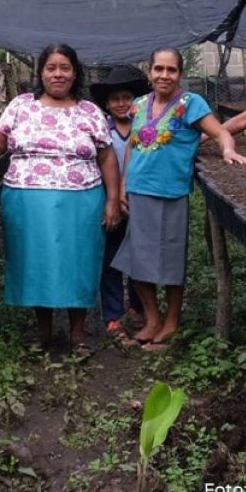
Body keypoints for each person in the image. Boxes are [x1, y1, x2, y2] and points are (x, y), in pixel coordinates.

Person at [0, 44, 120, 351]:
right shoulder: (21, 106)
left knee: (79, 263)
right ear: (41, 73)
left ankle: (78, 332)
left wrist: (112, 200)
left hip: (81, 200)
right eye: (51, 67)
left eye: (65, 67)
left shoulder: (90, 112)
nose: (58, 74)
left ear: (75, 73)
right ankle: (43, 330)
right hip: (26, 200)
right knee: (35, 262)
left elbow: (107, 157)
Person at [113, 48, 246, 351]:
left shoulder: (191, 104)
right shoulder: (138, 105)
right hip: (138, 192)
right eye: (158, 69)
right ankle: (152, 318)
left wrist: (228, 149)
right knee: (138, 258)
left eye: (171, 70)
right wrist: (124, 183)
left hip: (170, 193)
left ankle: (172, 321)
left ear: (180, 73)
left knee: (171, 259)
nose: (164, 75)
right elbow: (131, 147)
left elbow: (220, 133)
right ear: (150, 72)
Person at [88, 65, 151, 339]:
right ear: (107, 104)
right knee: (111, 259)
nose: (122, 103)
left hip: (142, 202)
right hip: (110, 202)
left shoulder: (147, 128)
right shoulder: (102, 130)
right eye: (115, 99)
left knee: (141, 257)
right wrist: (110, 200)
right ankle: (113, 315)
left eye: (127, 97)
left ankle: (140, 307)